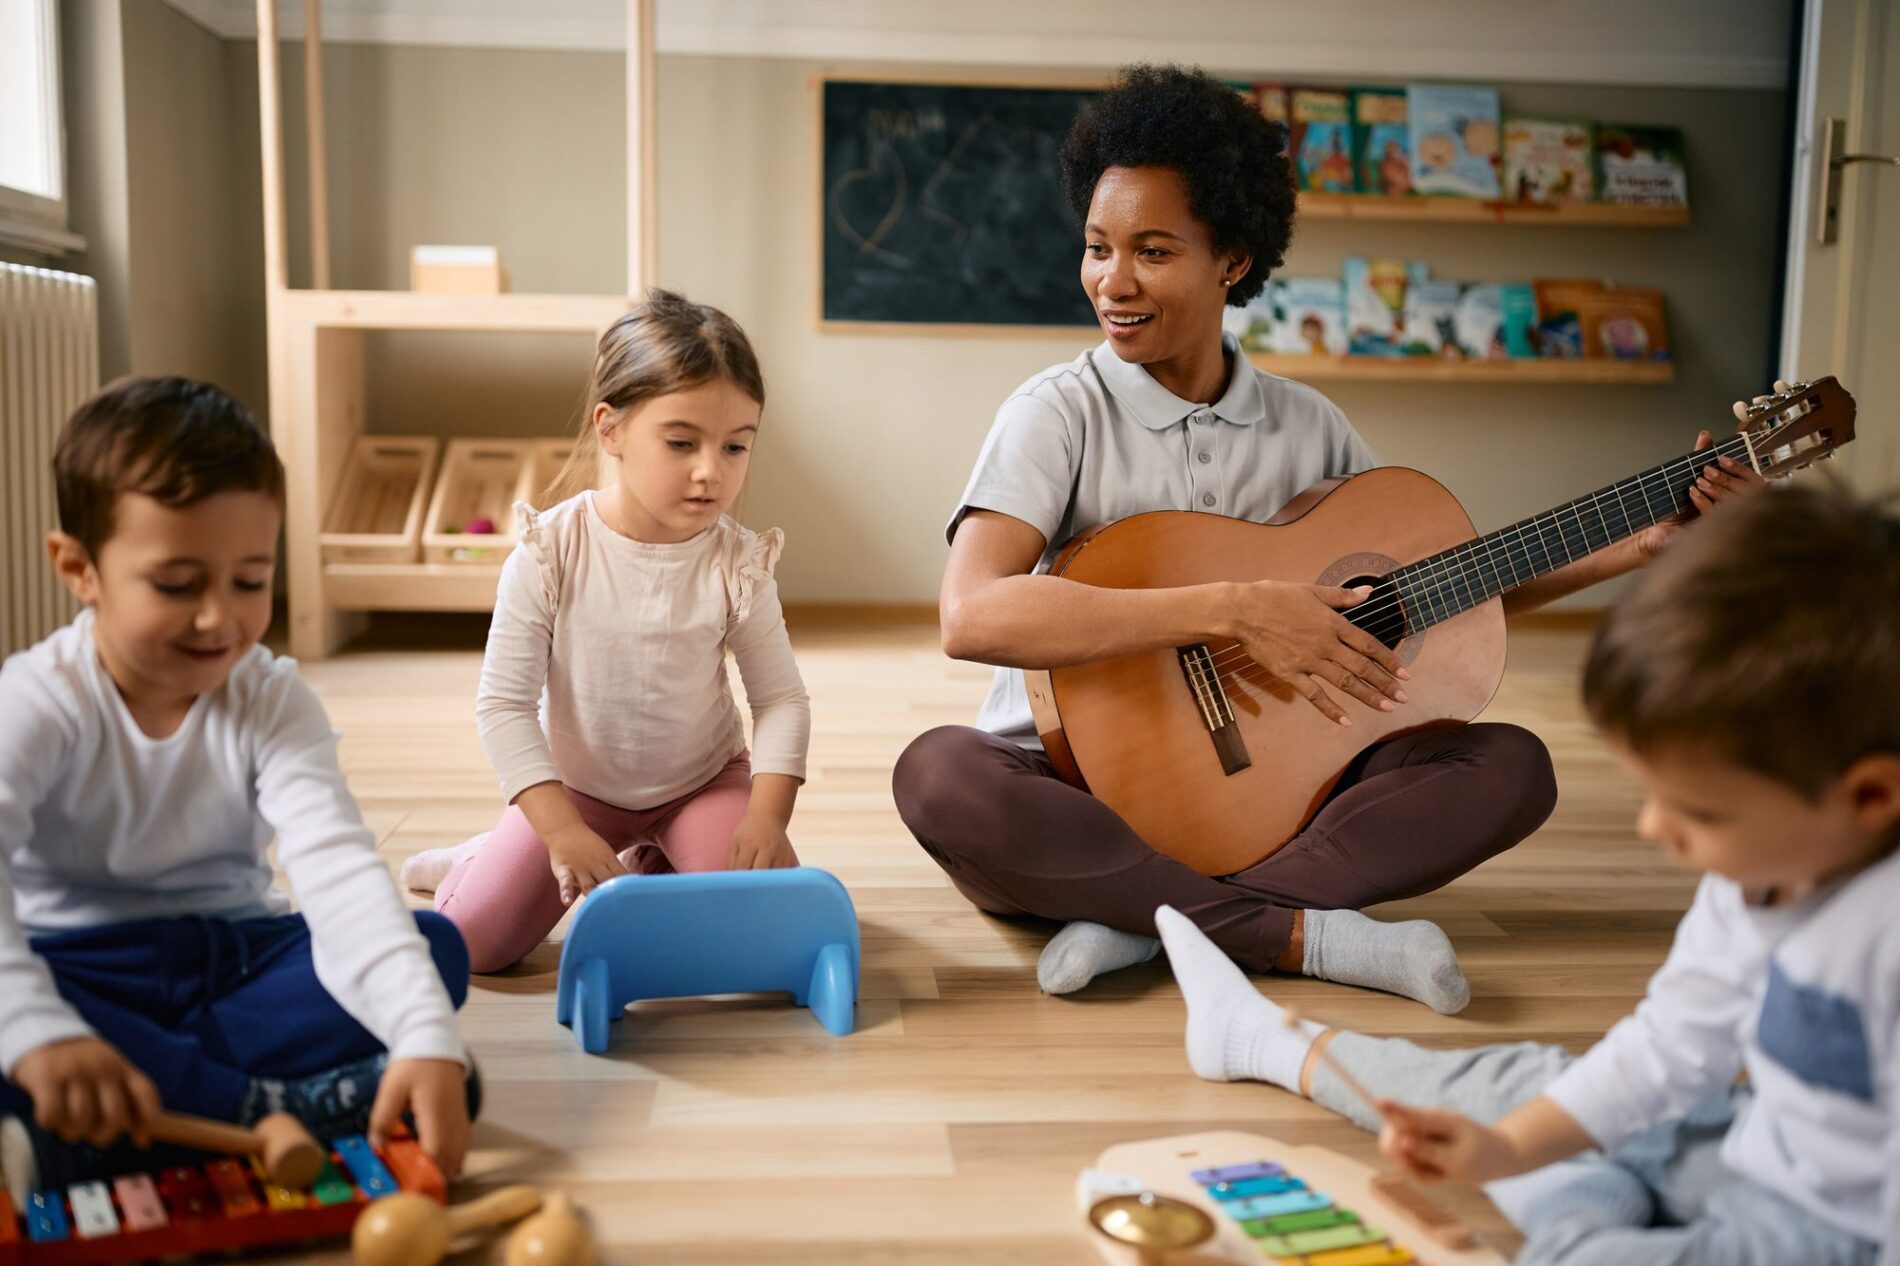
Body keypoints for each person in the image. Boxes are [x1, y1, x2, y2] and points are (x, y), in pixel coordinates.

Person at [891, 64, 1760, 1004]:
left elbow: (1431, 596)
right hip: (1066, 785)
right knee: (939, 776)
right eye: (1099, 248)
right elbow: (972, 615)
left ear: (1232, 259)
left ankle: (1143, 919)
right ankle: (1293, 934)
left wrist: (1639, 550)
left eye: (1152, 250)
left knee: (1512, 766)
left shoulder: (1308, 428)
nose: (1113, 281)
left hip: (1272, 799)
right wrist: (1237, 612)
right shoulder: (1056, 413)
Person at [1156, 485, 1899, 1265]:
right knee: (1530, 1086)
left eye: (1701, 813)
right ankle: (1262, 1041)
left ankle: (1573, 1205)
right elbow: (1670, 1049)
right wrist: (1506, 1149)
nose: (1653, 829)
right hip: (1752, 1143)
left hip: (1832, 1233)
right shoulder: (1764, 865)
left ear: (1872, 796)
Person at [0, 378, 474, 1200]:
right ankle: (262, 1108)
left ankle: (119, 1123)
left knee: (434, 952)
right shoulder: (37, 701)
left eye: (251, 581)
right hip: (82, 966)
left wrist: (423, 1034)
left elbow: (336, 873)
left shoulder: (270, 697)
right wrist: (37, 1030)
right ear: (79, 568)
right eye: (179, 585)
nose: (220, 619)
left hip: (236, 959)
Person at [401, 290, 812, 974]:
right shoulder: (549, 550)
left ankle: (653, 857)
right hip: (576, 793)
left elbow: (781, 701)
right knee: (472, 946)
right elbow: (503, 706)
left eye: (736, 446)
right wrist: (558, 831)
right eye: (682, 443)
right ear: (611, 429)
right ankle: (482, 856)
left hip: (702, 784)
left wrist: (767, 816)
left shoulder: (738, 562)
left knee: (761, 940)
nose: (712, 470)